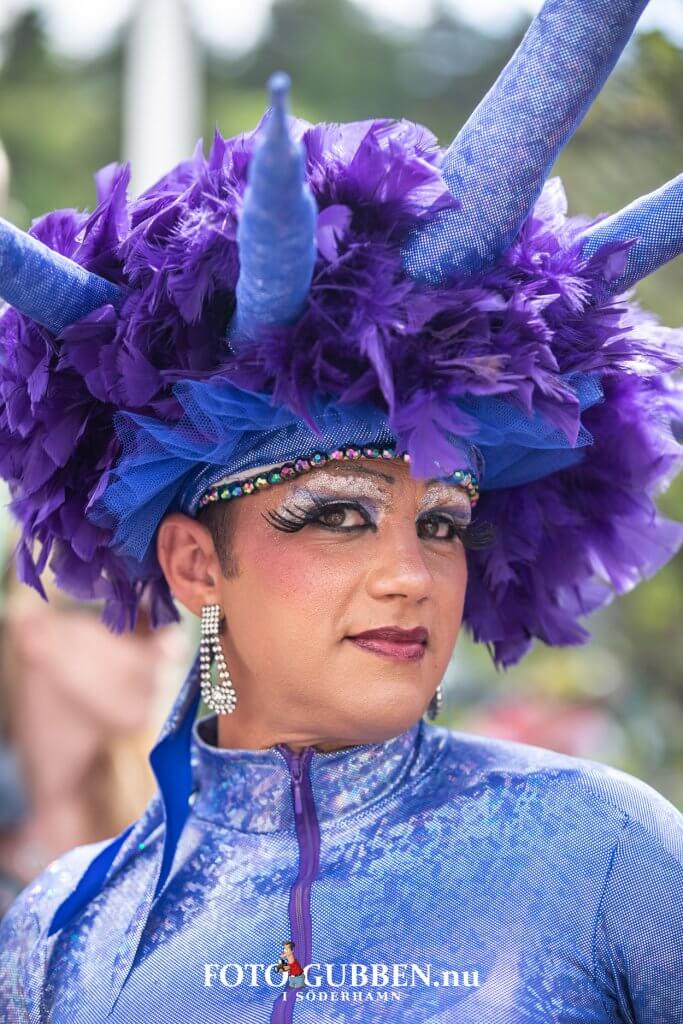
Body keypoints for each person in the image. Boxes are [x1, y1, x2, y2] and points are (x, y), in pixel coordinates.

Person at [0, 0, 682, 1019]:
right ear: (194, 564)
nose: (411, 575)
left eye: (441, 523)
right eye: (338, 515)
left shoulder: (607, 855)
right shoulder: (62, 933)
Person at [0, 546, 180, 921]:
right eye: (137, 618)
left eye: (168, 620)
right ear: (36, 632)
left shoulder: (166, 816)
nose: (170, 648)